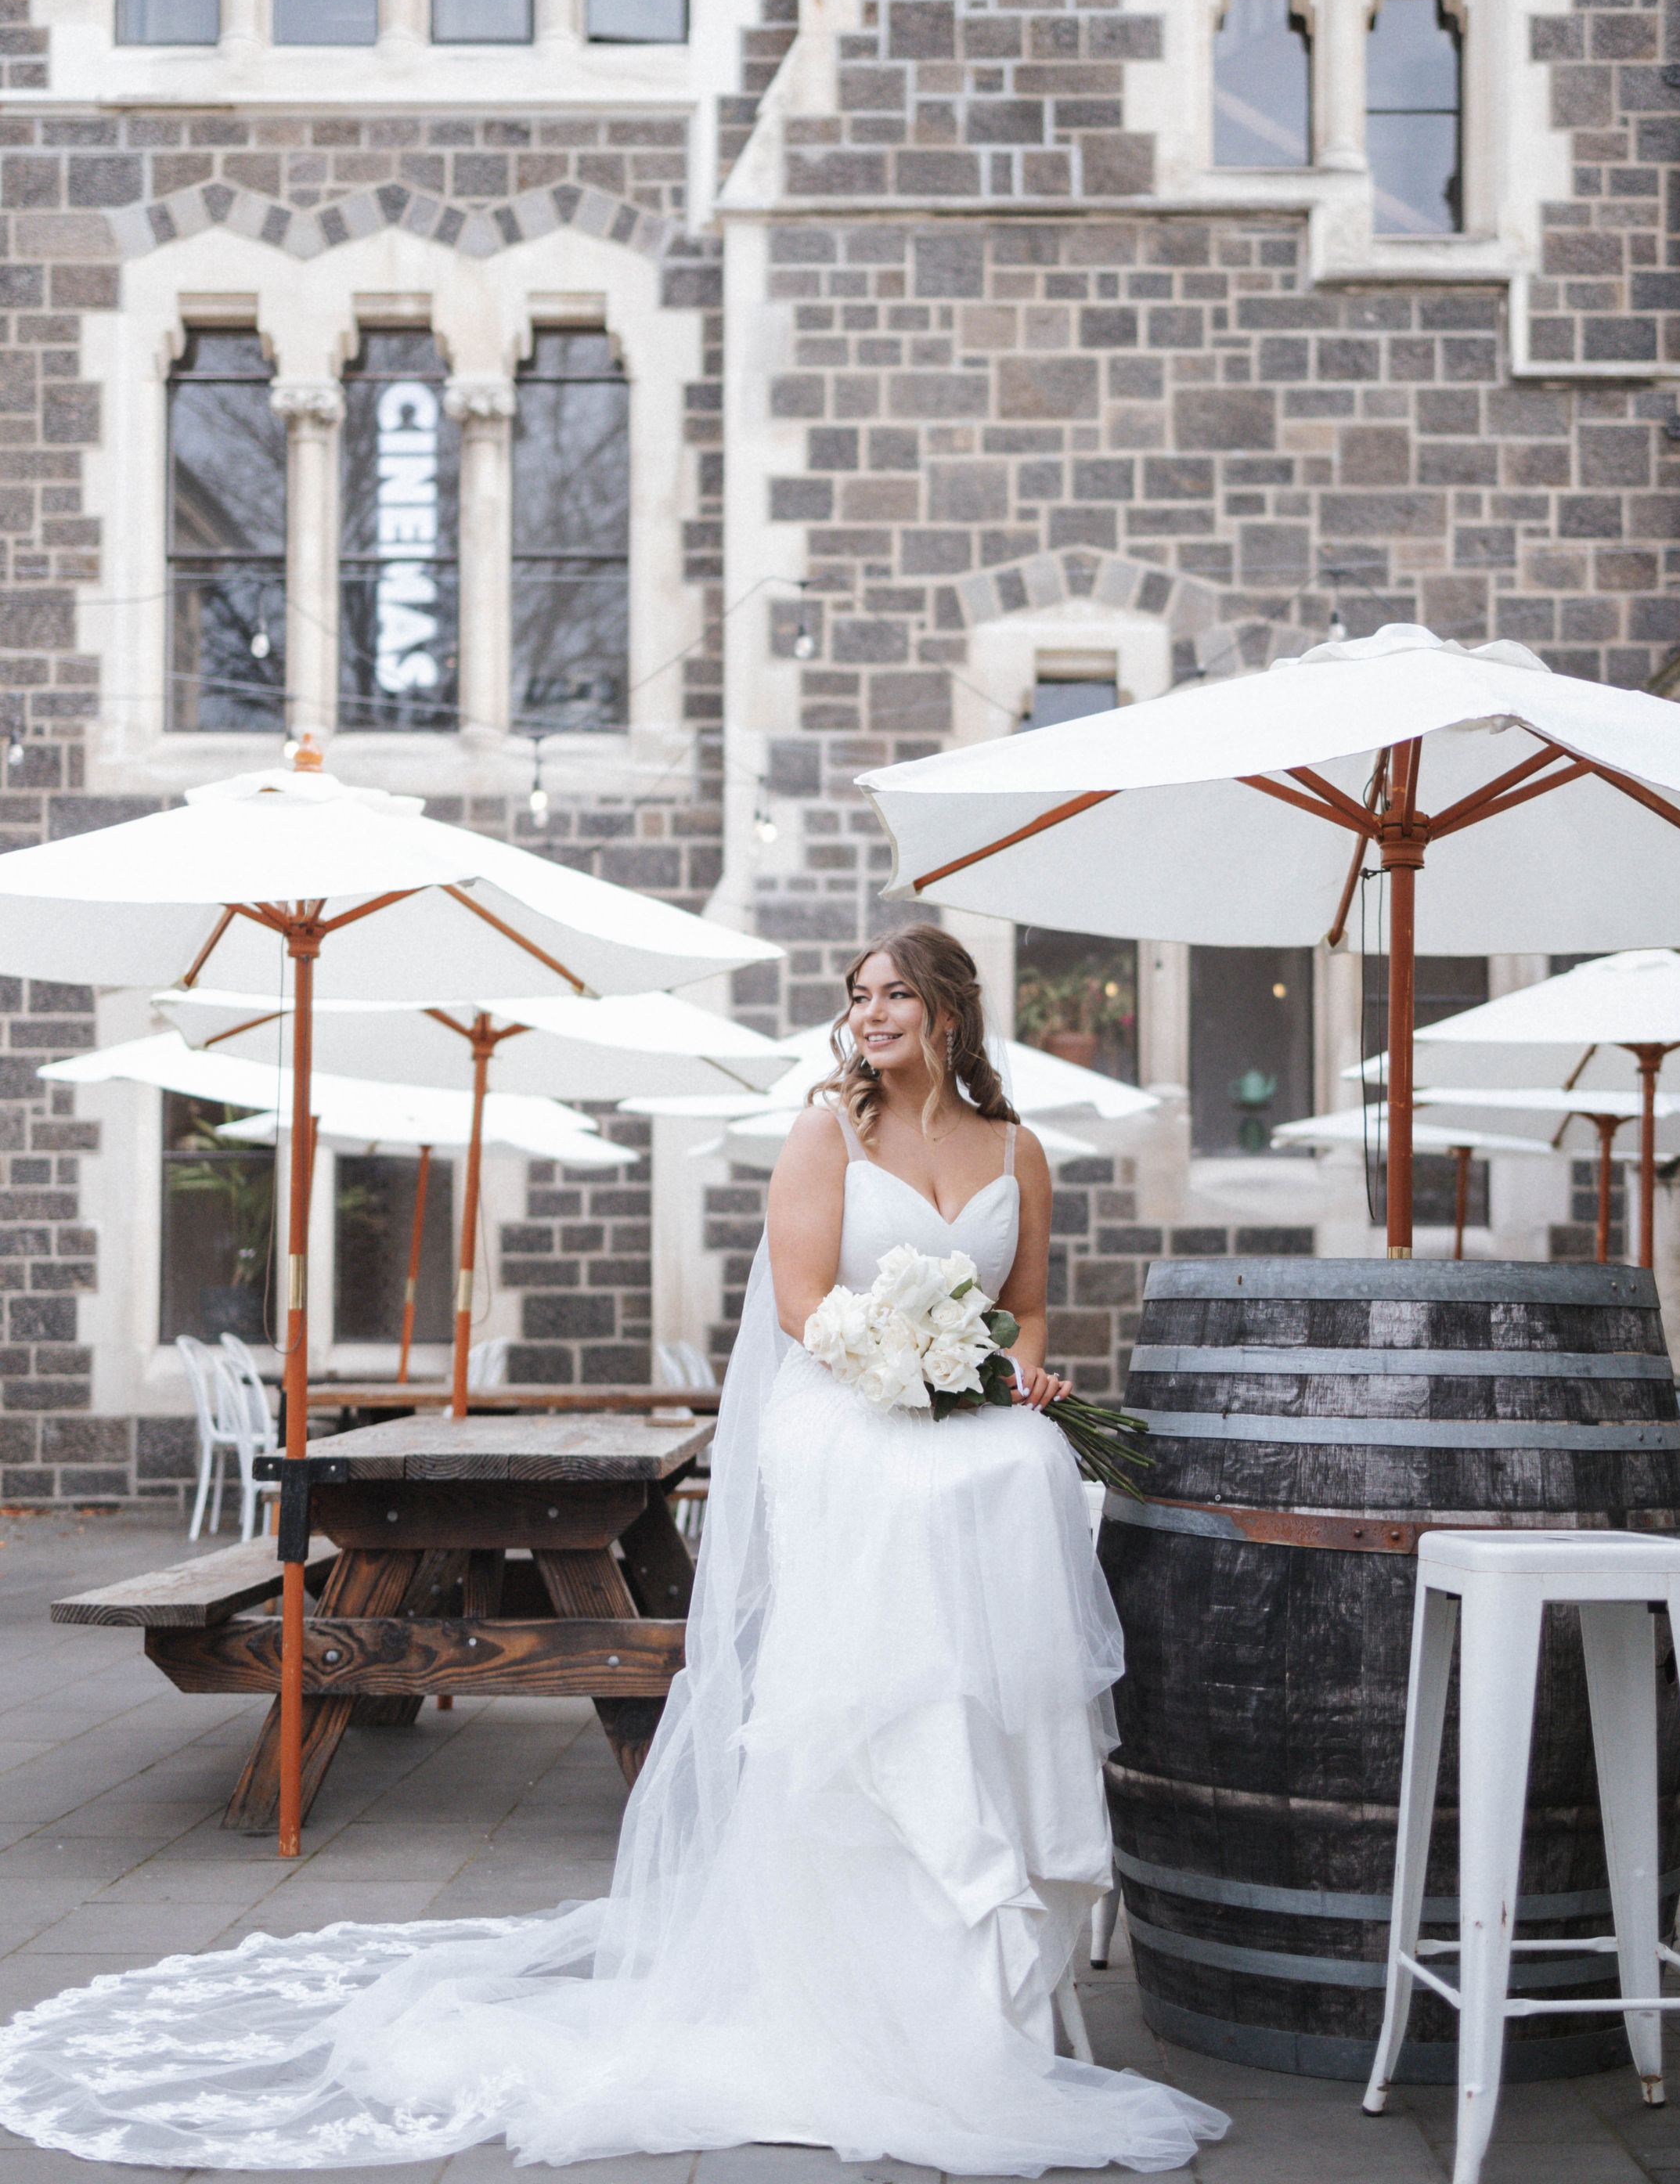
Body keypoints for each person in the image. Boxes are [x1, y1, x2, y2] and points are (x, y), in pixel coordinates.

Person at [0, 927, 1227, 2174]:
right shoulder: (827, 1137)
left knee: (1022, 1475)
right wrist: (906, 1366)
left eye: (894, 995)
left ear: (950, 1009)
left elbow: (1027, 1301)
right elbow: (804, 1307)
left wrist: (1009, 1367)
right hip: (849, 1411)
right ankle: (870, 1952)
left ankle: (992, 1948)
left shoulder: (1017, 1149)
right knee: (899, 1573)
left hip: (967, 1423)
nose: (869, 1015)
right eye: (856, 997)